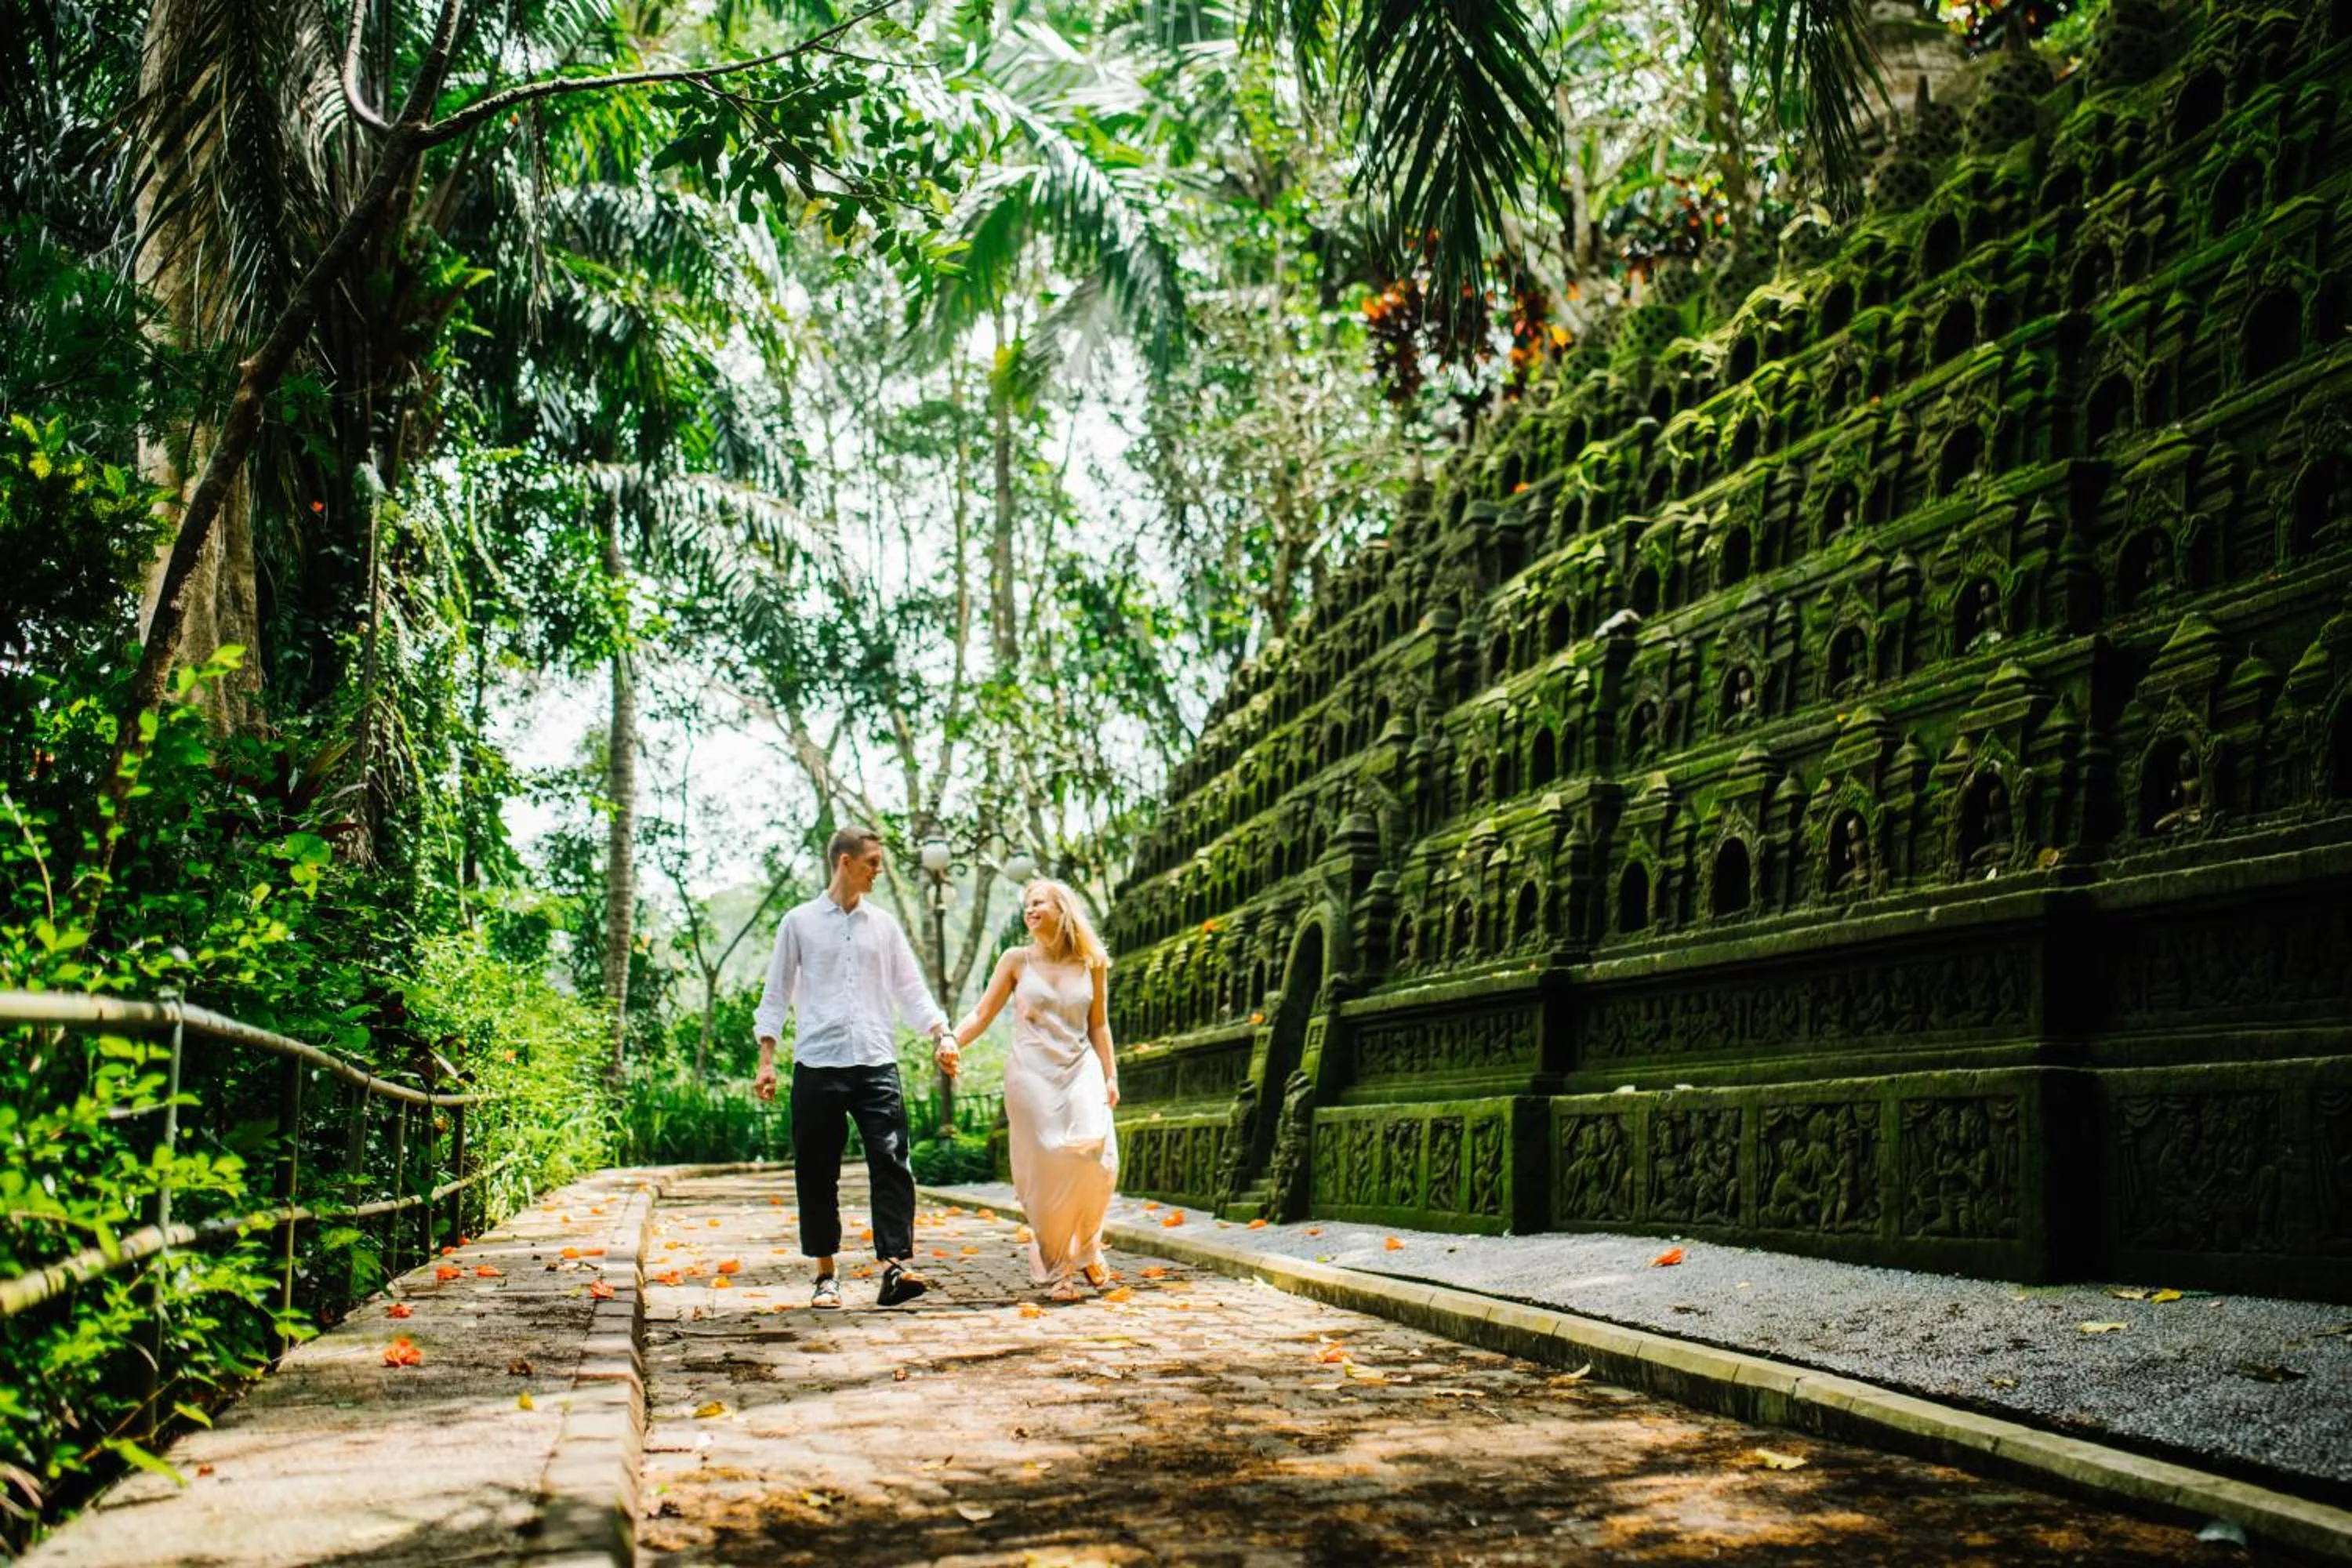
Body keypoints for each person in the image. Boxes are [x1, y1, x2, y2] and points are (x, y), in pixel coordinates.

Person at [753, 826, 956, 1309]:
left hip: (875, 1060)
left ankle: (894, 1267)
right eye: (871, 862)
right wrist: (767, 1059)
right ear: (844, 861)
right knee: (817, 1171)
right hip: (817, 1062)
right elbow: (777, 992)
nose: (878, 870)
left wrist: (941, 1033)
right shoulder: (798, 922)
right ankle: (826, 1274)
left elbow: (909, 988)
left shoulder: (882, 925)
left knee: (892, 1162)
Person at [952, 879, 1120, 1302]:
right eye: (1027, 904)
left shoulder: (1092, 961)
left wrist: (1111, 1074)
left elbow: (1099, 1023)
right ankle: (1061, 1268)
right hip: (1031, 1073)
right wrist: (952, 1040)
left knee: (1095, 1154)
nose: (1030, 910)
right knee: (1048, 1158)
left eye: (1039, 902)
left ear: (1062, 909)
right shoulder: (1016, 960)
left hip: (1081, 1066)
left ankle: (1088, 1246)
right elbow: (982, 1013)